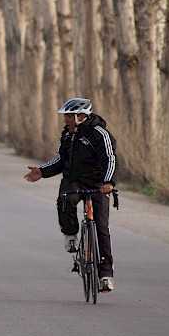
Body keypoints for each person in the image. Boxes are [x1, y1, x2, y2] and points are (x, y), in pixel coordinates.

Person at [24, 98, 118, 292]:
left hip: (99, 184)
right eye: (65, 116)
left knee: (102, 228)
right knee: (65, 200)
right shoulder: (68, 135)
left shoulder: (100, 134)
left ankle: (106, 275)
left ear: (81, 117)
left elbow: (110, 159)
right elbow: (60, 160)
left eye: (68, 116)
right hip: (73, 181)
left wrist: (108, 182)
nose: (65, 119)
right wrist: (41, 171)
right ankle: (70, 235)